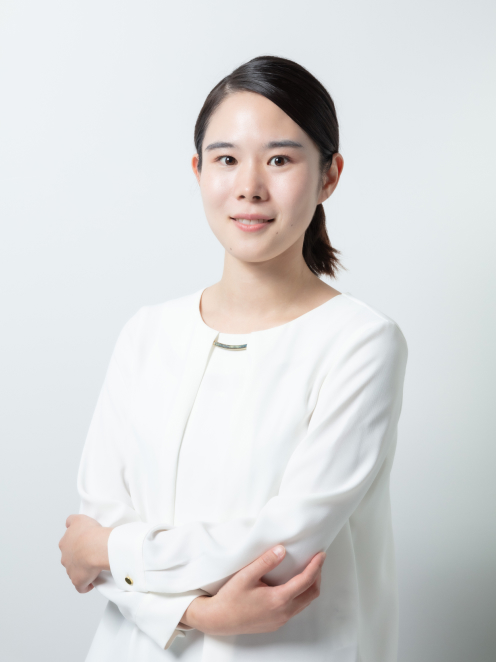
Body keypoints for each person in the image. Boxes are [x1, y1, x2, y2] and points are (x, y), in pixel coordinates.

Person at [59, 55, 408, 662]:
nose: (249, 186)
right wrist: (199, 613)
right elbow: (99, 520)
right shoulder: (147, 333)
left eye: (280, 159)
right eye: (226, 159)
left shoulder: (361, 342)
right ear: (198, 171)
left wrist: (112, 551)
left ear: (329, 176)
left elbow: (284, 545)